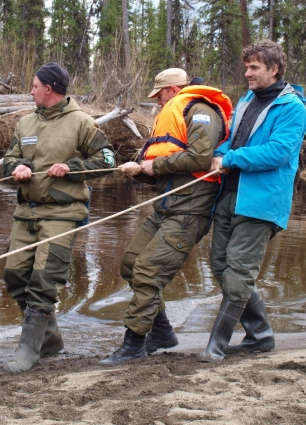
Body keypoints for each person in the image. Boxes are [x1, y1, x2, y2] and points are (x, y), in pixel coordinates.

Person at [100, 68, 232, 365]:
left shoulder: (201, 111)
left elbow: (199, 158)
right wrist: (139, 170)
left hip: (189, 212)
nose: (158, 101)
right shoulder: (173, 113)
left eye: (159, 95)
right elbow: (167, 167)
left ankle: (133, 343)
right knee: (131, 264)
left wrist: (155, 167)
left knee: (148, 270)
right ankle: (161, 332)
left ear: (174, 90)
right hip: (166, 208)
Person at [2, 62, 116, 373]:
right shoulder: (25, 124)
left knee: (44, 279)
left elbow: (108, 160)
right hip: (26, 211)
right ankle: (49, 339)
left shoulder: (81, 122)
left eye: (35, 86)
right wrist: (16, 167)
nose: (31, 91)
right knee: (15, 276)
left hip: (63, 213)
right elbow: (9, 158)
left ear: (49, 89)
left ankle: (28, 349)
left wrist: (73, 167)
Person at [198, 40, 306, 362]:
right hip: (230, 194)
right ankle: (260, 333)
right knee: (220, 264)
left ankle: (216, 345)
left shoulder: (292, 108)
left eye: (254, 67)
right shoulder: (247, 99)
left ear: (273, 70)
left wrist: (231, 158)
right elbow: (232, 138)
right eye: (246, 66)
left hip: (262, 201)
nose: (247, 72)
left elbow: (279, 152)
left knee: (239, 271)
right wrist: (219, 154)